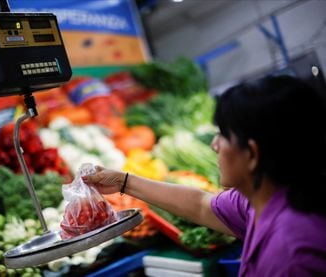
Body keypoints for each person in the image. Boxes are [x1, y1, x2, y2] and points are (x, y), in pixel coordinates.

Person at [82, 75, 326, 276]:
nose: (214, 145)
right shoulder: (264, 200)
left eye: (223, 135)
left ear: (251, 153)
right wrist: (123, 181)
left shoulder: (294, 257)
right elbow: (201, 205)